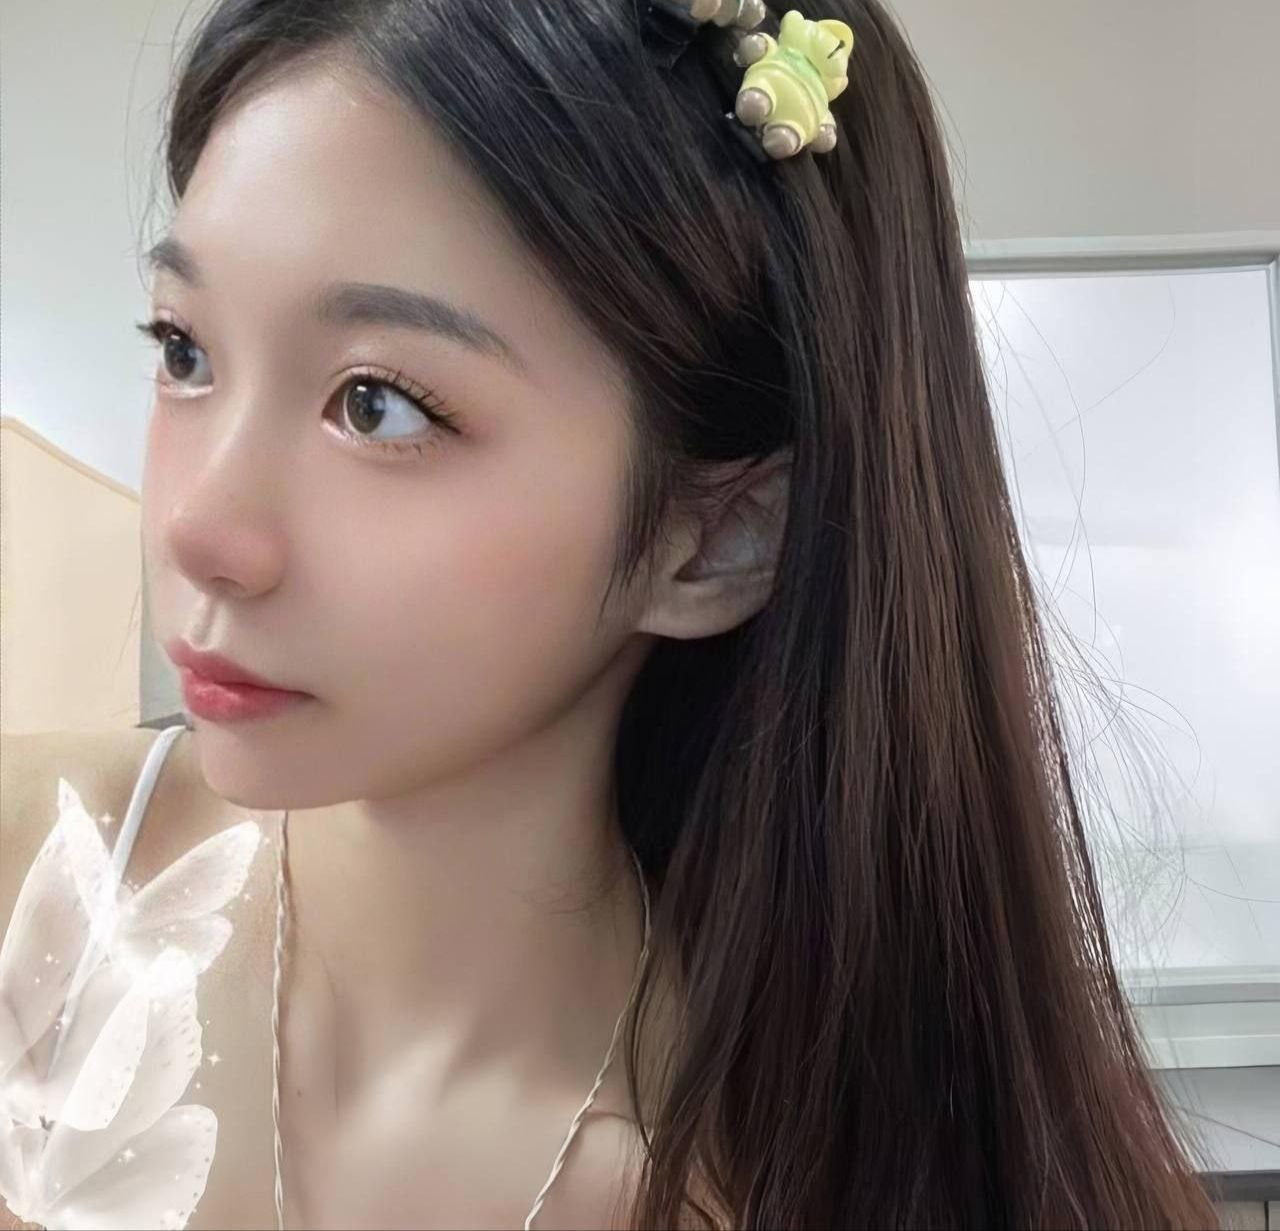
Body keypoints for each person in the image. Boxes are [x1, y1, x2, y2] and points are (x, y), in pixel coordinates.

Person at [0, 0, 1223, 1228]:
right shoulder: (26, 875)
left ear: (712, 540)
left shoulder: (777, 1182)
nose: (200, 528)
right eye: (185, 349)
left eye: (378, 405)